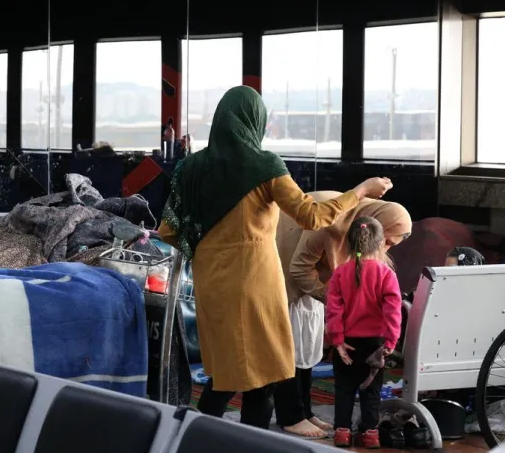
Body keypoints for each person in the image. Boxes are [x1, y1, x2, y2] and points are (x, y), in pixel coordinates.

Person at [156, 85, 393, 430]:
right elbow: (312, 216)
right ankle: (251, 440)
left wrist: (208, 251)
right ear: (255, 121)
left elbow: (168, 230)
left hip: (210, 280)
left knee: (227, 365)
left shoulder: (189, 169)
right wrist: (360, 192)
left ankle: (194, 436)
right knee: (263, 364)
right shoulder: (265, 165)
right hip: (255, 280)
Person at [273, 194, 412, 438]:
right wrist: (389, 340)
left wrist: (337, 331)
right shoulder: (332, 221)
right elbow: (298, 268)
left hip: (319, 294)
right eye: (386, 242)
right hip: (290, 278)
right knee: (291, 351)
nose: (385, 248)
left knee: (308, 353)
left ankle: (309, 413)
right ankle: (291, 416)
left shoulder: (355, 241)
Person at [326, 216, 403, 449]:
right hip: (375, 344)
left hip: (347, 343)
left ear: (349, 244)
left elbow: (334, 309)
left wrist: (337, 341)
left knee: (344, 389)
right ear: (381, 243)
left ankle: (342, 432)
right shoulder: (386, 273)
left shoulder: (340, 273)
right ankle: (370, 434)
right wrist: (390, 341)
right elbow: (393, 309)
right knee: (372, 390)